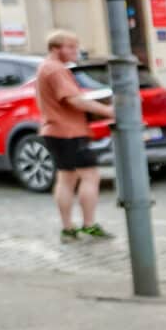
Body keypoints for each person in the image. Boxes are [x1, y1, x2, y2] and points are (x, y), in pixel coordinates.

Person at [36, 30, 113, 241]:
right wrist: (109, 111)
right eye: (70, 47)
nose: (75, 51)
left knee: (66, 178)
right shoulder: (55, 69)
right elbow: (75, 101)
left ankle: (68, 229)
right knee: (90, 176)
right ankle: (88, 224)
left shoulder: (47, 67)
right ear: (55, 48)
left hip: (55, 131)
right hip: (69, 132)